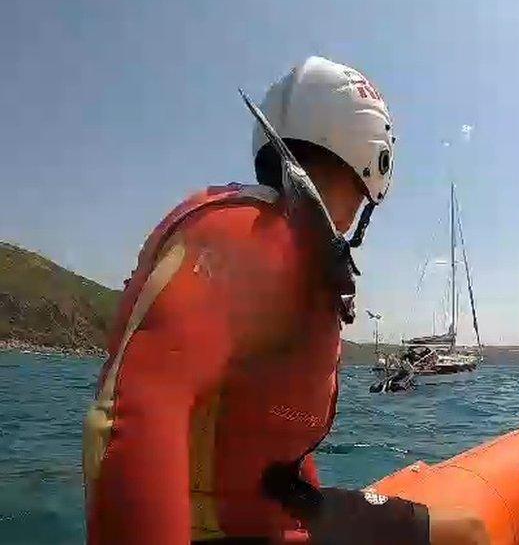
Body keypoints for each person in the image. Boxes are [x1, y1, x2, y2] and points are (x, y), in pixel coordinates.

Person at [82, 56, 488, 545]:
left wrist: (310, 515)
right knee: (467, 536)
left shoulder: (294, 250)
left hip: (282, 513)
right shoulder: (246, 237)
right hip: (230, 531)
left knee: (466, 531)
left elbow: (274, 437)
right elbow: (134, 417)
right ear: (374, 159)